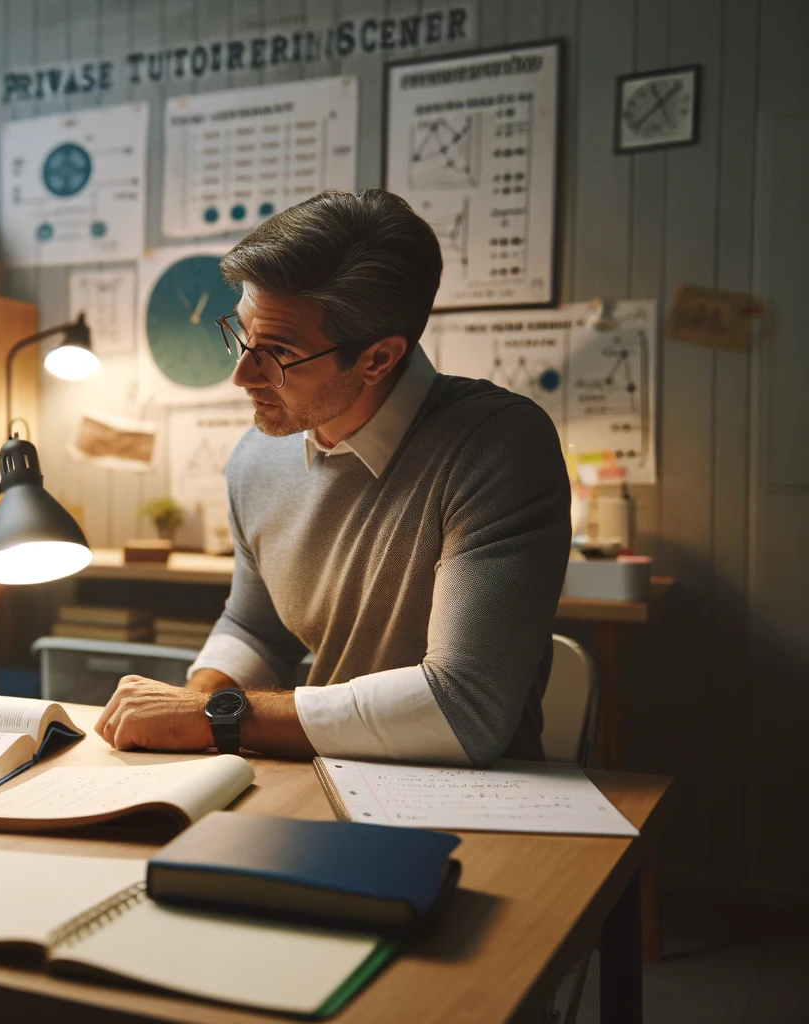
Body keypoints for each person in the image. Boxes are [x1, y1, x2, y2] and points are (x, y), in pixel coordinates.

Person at [96, 189, 571, 766]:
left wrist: (213, 718)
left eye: (277, 351)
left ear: (377, 359)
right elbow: (255, 626)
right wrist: (194, 700)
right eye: (242, 333)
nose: (242, 373)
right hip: (321, 778)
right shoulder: (257, 457)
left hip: (475, 802)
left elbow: (463, 709)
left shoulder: (496, 447)